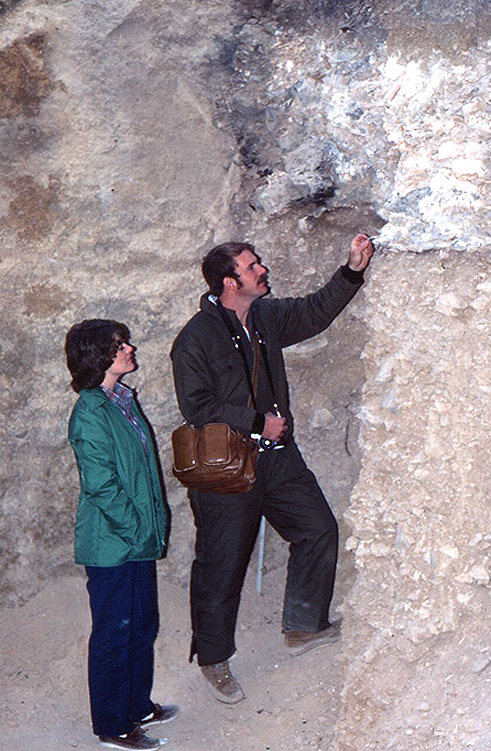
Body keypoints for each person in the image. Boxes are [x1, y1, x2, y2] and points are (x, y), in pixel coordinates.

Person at [170, 233, 374, 704]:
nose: (262, 268)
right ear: (229, 282)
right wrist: (258, 420)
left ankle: (304, 626)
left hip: (277, 460)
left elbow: (314, 312)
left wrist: (352, 270)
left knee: (317, 529)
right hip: (225, 471)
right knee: (221, 566)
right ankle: (213, 660)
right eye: (252, 265)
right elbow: (197, 406)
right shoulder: (194, 340)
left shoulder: (263, 317)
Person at [65, 319, 179, 751]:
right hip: (113, 543)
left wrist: (147, 531)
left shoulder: (120, 401)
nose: (129, 348)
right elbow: (101, 485)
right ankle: (112, 726)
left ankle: (136, 706)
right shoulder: (91, 412)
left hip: (134, 540)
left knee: (141, 624)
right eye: (118, 345)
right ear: (99, 357)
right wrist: (137, 530)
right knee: (115, 632)